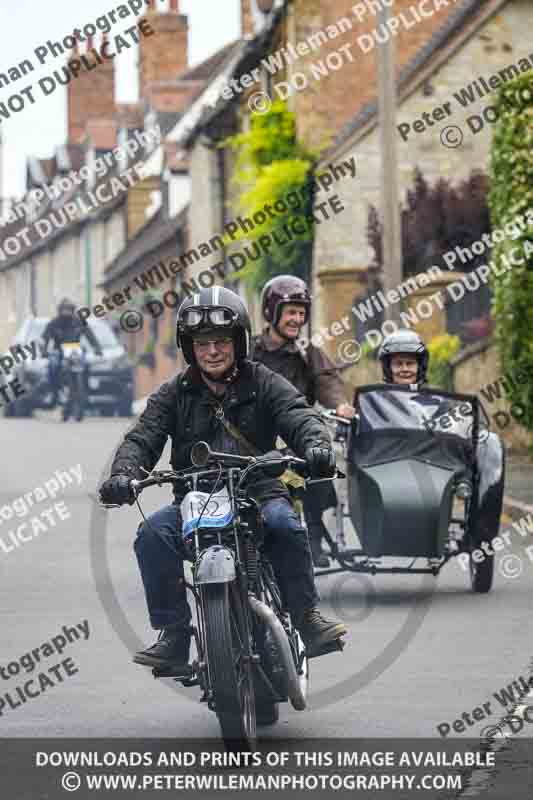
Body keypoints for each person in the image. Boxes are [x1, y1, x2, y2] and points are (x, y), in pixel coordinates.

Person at [99, 287, 348, 673]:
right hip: (196, 496)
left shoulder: (264, 380)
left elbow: (299, 414)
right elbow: (142, 437)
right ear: (189, 347)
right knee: (152, 536)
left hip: (258, 490)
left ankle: (306, 619)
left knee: (285, 525)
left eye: (221, 341)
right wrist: (123, 474)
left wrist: (316, 446)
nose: (212, 351)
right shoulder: (174, 392)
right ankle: (174, 636)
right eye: (202, 343)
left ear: (239, 341)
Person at [251, 275, 355, 568]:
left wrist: (340, 404)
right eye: (290, 312)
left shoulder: (308, 352)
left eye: (301, 312)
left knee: (318, 464)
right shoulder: (250, 351)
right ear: (271, 312)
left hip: (297, 436)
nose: (297, 319)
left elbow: (327, 381)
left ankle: (314, 538)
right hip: (255, 438)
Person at [42, 298, 102, 405]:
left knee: (86, 366)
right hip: (59, 351)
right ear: (60, 310)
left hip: (74, 350)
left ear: (73, 310)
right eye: (64, 309)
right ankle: (53, 392)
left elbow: (90, 336)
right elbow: (45, 338)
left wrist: (97, 348)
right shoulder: (53, 323)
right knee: (52, 365)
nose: (66, 312)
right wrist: (44, 350)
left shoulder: (79, 322)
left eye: (69, 309)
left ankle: (85, 391)